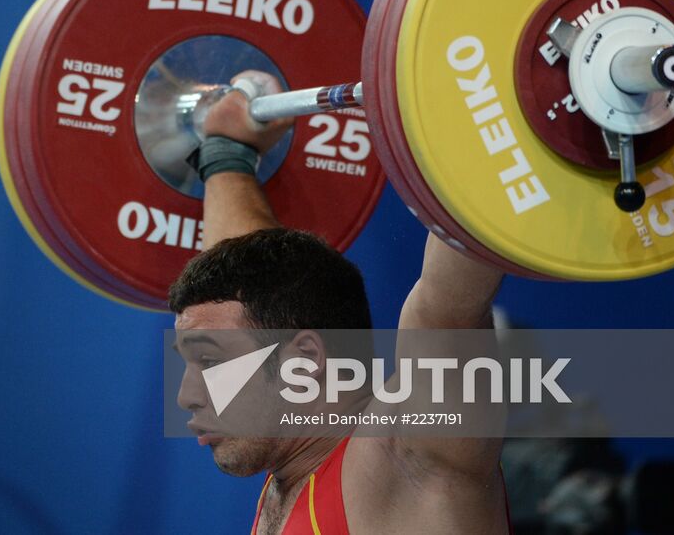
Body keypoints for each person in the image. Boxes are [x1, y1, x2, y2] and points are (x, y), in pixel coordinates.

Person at [172, 71, 511, 534]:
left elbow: (447, 305)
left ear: (306, 360)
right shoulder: (288, 465)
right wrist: (227, 153)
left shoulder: (408, 457)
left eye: (209, 363)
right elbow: (249, 284)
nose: (186, 397)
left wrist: (491, 108)